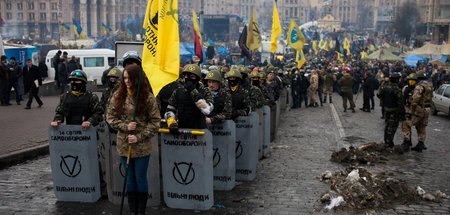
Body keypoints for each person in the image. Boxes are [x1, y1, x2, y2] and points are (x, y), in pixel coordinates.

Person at [106, 64, 160, 215]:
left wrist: (139, 136)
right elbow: (110, 118)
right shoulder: (118, 95)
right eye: (124, 78)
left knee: (140, 178)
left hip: (142, 146)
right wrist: (125, 126)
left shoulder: (148, 97)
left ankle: (140, 211)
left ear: (137, 78)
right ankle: (132, 211)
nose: (127, 81)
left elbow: (155, 122)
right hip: (124, 145)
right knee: (129, 179)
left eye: (129, 78)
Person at [165, 64, 214, 130]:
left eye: (192, 76)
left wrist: (193, 91)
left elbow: (207, 110)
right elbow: (170, 109)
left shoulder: (205, 91)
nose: (188, 78)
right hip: (182, 130)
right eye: (186, 76)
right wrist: (171, 122)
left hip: (200, 132)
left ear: (198, 78)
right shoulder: (178, 91)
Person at [378, 73, 403, 148]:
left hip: (386, 109)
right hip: (394, 111)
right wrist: (402, 113)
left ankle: (386, 141)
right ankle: (389, 142)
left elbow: (379, 95)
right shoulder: (397, 90)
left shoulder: (385, 87)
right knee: (392, 127)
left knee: (387, 125)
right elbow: (400, 102)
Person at [410, 72, 433, 152]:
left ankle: (407, 142)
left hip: (420, 108)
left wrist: (412, 110)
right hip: (427, 108)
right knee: (422, 126)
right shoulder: (429, 86)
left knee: (409, 124)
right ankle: (421, 143)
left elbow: (415, 99)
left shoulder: (419, 87)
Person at [401, 73, 417, 152]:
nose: (411, 83)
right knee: (408, 126)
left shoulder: (417, 90)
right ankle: (409, 141)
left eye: (413, 81)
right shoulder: (406, 88)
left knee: (406, 126)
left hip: (410, 111)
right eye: (410, 81)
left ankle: (406, 143)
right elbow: (402, 98)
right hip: (408, 110)